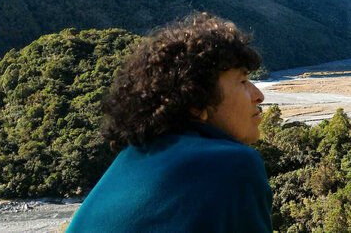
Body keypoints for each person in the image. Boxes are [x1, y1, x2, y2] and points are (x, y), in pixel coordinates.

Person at [67, 13, 273, 232]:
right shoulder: (235, 164)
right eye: (242, 81)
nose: (258, 95)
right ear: (196, 101)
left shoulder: (132, 156)